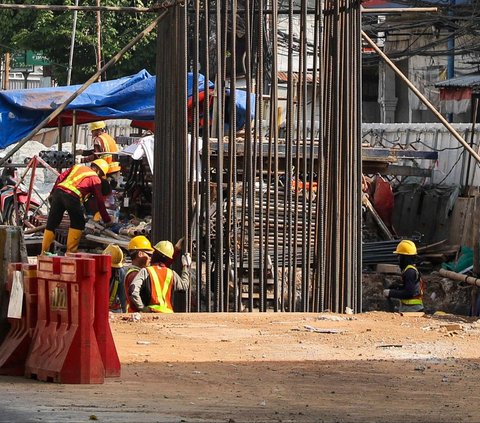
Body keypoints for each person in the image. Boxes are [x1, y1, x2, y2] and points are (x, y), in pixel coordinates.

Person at [41, 159, 112, 254]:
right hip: (72, 196)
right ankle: (71, 252)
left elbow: (60, 177)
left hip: (58, 192)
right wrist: (107, 219)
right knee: (78, 222)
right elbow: (99, 200)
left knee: (52, 223)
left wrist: (52, 193)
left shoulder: (77, 167)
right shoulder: (95, 178)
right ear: (99, 171)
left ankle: (44, 252)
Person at [128, 240, 191, 313]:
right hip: (168, 313)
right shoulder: (171, 273)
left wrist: (142, 308)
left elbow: (133, 290)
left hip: (152, 312)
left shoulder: (146, 271)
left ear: (155, 253)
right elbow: (185, 286)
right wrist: (185, 266)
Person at [383, 240, 424, 313]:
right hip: (412, 308)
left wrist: (391, 293)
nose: (398, 259)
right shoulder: (410, 270)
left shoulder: (409, 272)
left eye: (399, 256)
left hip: (412, 310)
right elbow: (410, 288)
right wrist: (398, 287)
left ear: (405, 257)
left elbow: (408, 293)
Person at [124, 235, 155, 312]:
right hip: (137, 315)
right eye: (149, 255)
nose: (150, 258)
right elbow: (134, 294)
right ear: (140, 254)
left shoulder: (134, 272)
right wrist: (144, 309)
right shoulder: (135, 275)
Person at [103, 244, 127, 313]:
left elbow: (123, 296)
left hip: (112, 309)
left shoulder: (120, 272)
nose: (112, 269)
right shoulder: (96, 270)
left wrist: (125, 313)